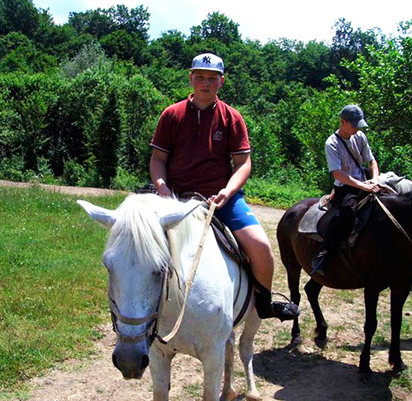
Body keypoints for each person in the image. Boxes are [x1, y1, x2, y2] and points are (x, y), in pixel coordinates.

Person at [149, 53, 299, 321]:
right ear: (191, 79)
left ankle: (264, 303)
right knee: (137, 241)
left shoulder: (232, 118)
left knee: (260, 245)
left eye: (211, 78)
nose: (205, 83)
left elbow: (243, 164)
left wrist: (227, 192)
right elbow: (158, 159)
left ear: (221, 81)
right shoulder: (172, 115)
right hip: (176, 199)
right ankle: (138, 308)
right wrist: (162, 188)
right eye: (200, 77)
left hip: (220, 199)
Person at [311, 105, 380, 276]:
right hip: (345, 186)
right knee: (347, 213)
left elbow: (372, 161)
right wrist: (363, 186)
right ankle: (324, 254)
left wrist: (376, 179)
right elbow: (338, 174)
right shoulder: (331, 143)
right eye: (354, 124)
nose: (358, 128)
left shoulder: (360, 137)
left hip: (366, 181)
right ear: (343, 122)